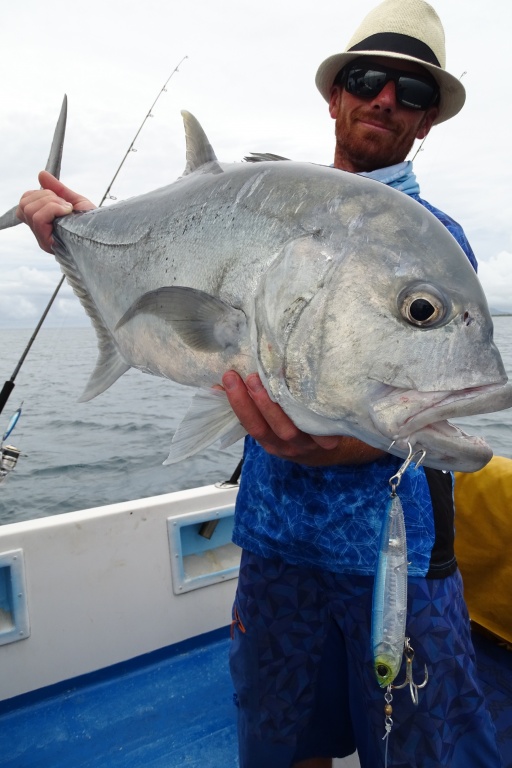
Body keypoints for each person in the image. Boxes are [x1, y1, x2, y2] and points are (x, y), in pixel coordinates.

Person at [16, 1, 501, 766]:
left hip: (395, 557)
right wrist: (77, 226)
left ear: (429, 121)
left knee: (424, 750)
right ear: (335, 95)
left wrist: (336, 447)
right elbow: (170, 288)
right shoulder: (256, 199)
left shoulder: (432, 236)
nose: (386, 100)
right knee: (282, 741)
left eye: (412, 93)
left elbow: (387, 421)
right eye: (370, 79)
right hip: (274, 539)